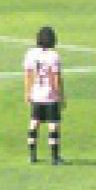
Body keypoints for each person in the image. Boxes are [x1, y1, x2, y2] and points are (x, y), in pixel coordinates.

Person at [23, 26, 65, 165]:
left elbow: (28, 74)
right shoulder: (54, 56)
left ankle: (32, 155)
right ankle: (54, 157)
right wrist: (60, 96)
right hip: (50, 96)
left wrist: (28, 92)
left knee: (34, 123)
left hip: (36, 94)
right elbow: (56, 77)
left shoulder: (30, 53)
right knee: (53, 125)